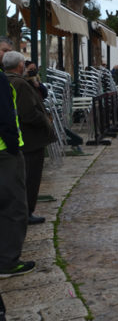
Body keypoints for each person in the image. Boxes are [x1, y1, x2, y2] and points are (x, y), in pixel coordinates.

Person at [4, 52, 57, 225]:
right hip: (31, 138)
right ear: (20, 66)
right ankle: (27, 212)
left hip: (22, 138)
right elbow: (27, 112)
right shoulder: (19, 83)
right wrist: (44, 121)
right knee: (31, 178)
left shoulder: (9, 80)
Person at [0, 66, 35, 278]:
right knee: (13, 206)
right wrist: (13, 145)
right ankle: (8, 262)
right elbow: (5, 114)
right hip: (5, 151)